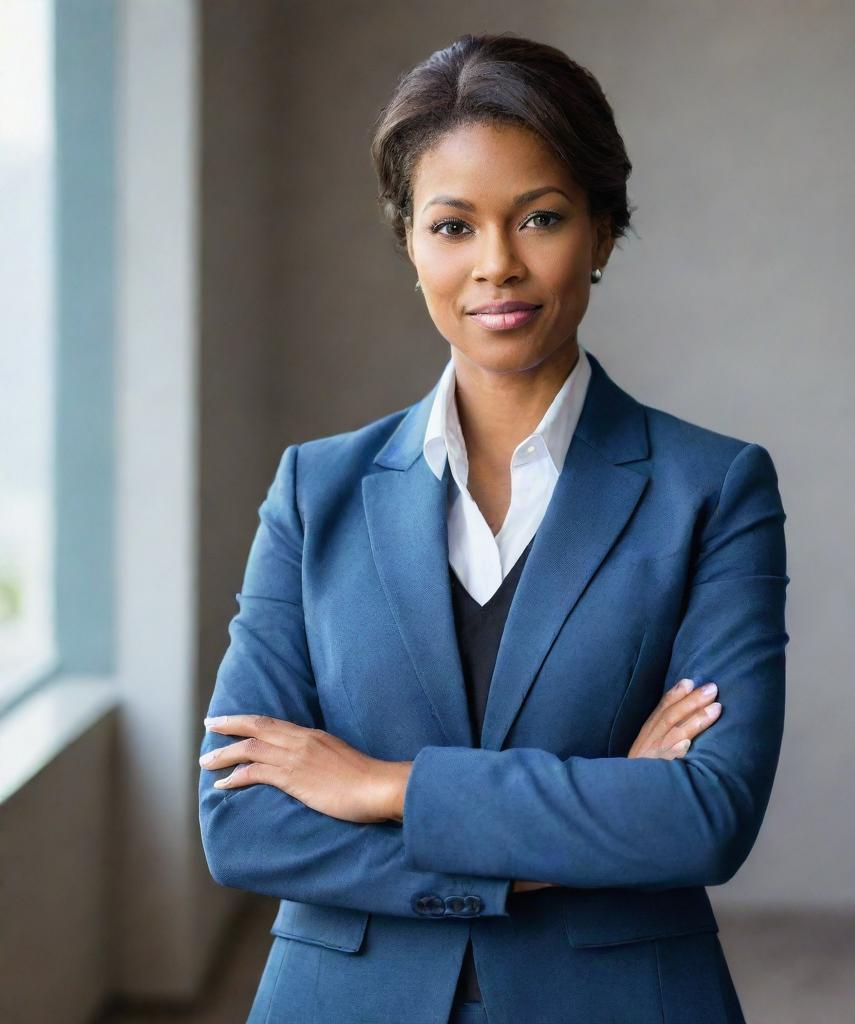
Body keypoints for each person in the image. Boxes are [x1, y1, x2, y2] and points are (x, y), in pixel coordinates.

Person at [198, 32, 788, 1024]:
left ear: (602, 233)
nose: (497, 266)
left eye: (541, 219)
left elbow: (704, 815)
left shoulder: (712, 488)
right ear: (409, 244)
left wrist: (381, 785)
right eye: (453, 226)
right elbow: (242, 821)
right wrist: (525, 862)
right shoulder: (316, 490)